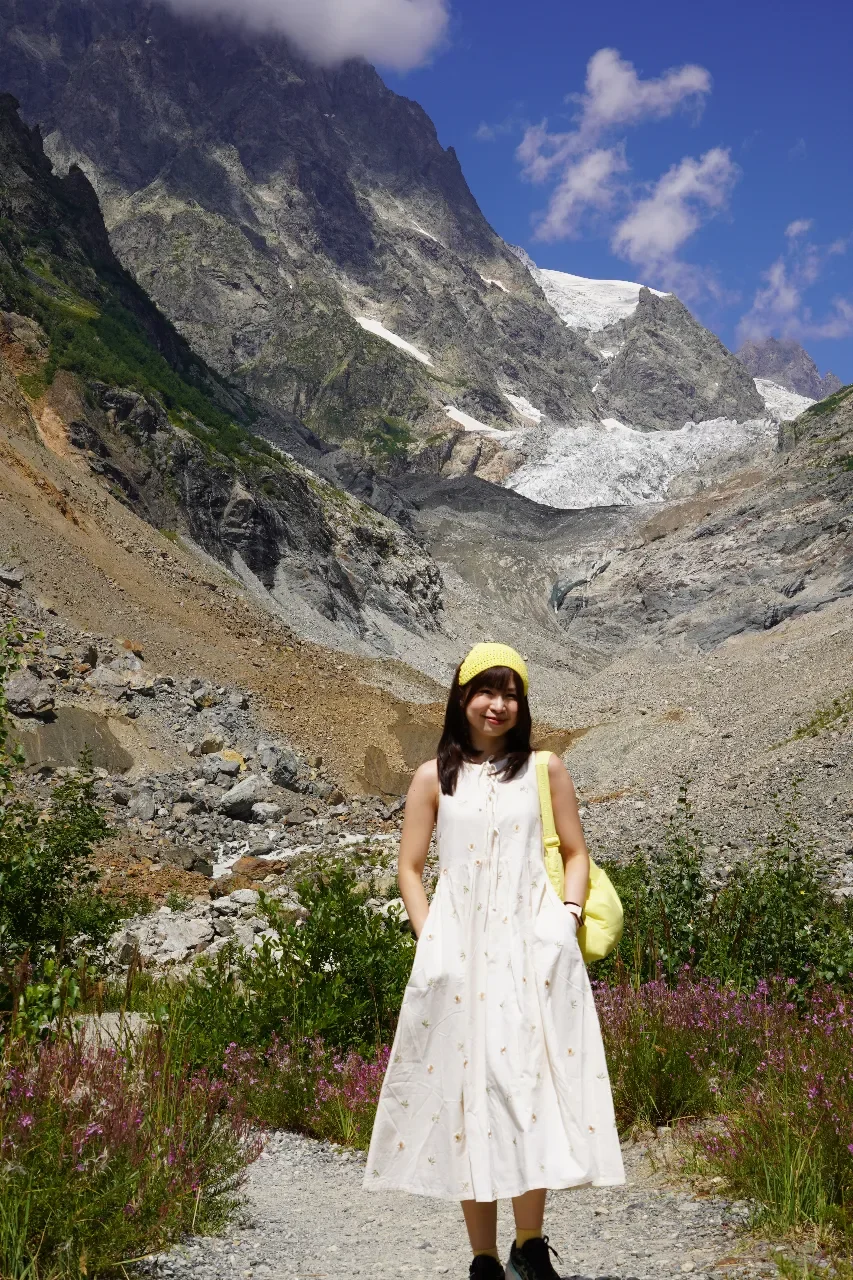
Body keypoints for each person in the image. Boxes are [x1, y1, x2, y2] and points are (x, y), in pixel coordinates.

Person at [364, 643, 625, 1280]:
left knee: (526, 1086)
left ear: (523, 704)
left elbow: (575, 851)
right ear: (461, 697)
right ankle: (483, 1258)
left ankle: (528, 1245)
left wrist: (564, 919)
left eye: (510, 694)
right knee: (466, 1098)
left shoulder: (545, 767)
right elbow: (409, 867)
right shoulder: (433, 777)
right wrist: (432, 940)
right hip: (458, 960)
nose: (498, 704)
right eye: (486, 690)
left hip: (530, 952)